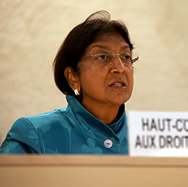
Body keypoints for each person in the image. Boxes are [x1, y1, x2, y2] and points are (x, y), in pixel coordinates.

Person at [0, 10, 139, 154]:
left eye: (126, 56)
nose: (120, 68)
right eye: (102, 56)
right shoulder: (35, 134)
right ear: (73, 77)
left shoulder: (148, 138)